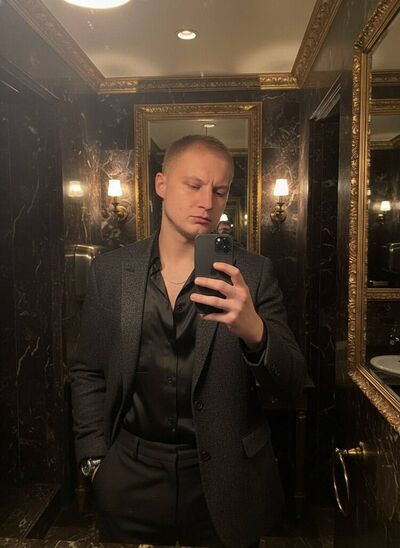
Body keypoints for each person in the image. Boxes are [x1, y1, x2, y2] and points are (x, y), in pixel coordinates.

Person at [71, 135, 306, 548]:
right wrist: (96, 461)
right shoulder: (110, 272)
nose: (207, 202)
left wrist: (254, 331)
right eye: (193, 185)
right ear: (161, 185)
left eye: (220, 191)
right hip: (130, 472)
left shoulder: (253, 274)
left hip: (227, 480)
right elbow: (88, 370)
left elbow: (292, 383)